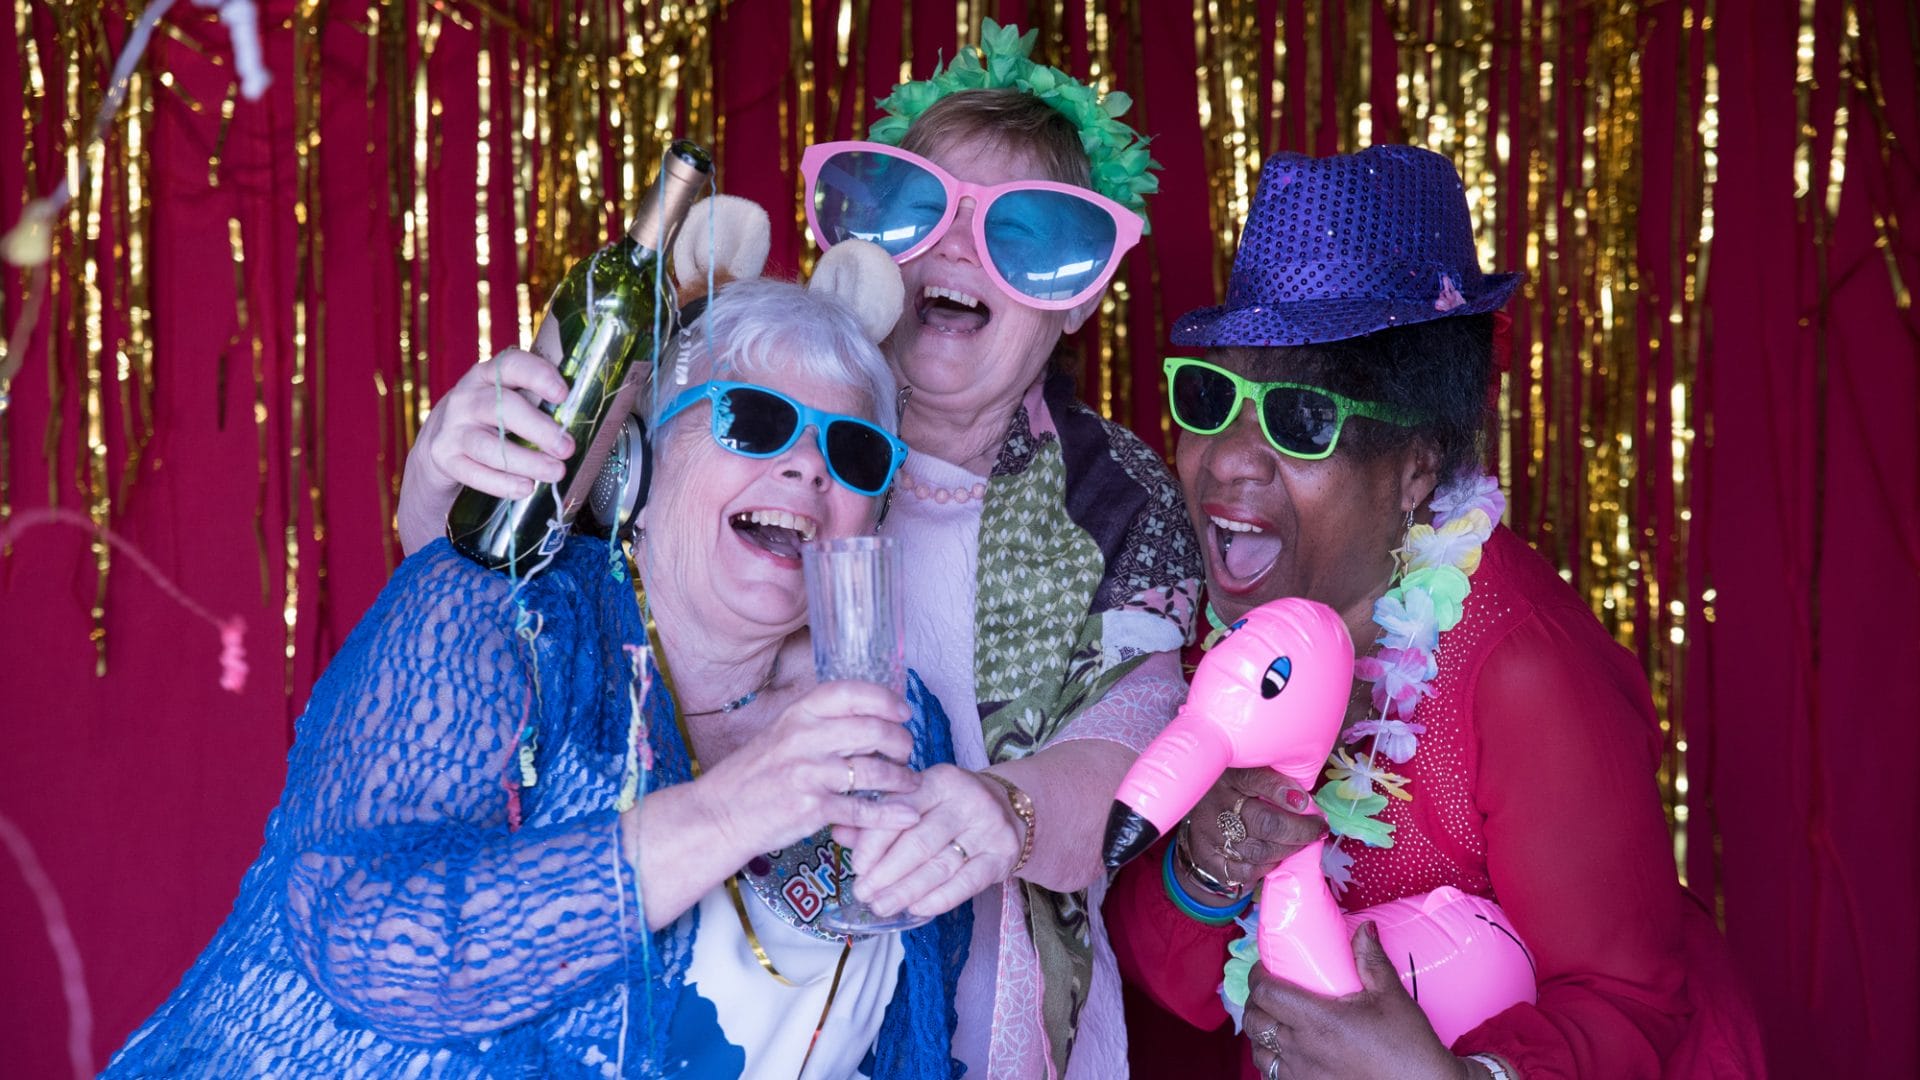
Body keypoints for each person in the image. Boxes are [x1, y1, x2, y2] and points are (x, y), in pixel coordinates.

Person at [397, 23, 1200, 1079]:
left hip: (987, 1024)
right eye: (915, 205)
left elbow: (1141, 743)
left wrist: (1008, 809)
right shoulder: (744, 402)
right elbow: (489, 586)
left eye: (1031, 232)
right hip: (671, 995)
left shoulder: (1112, 494)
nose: (959, 251)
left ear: (1082, 293)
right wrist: (442, 467)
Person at [107, 267, 979, 1078]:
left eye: (854, 452)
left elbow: (903, 1043)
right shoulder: (497, 614)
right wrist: (731, 810)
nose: (808, 466)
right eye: (753, 421)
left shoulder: (896, 722)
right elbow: (367, 932)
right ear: (637, 467)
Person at [1106, 145, 1764, 1079]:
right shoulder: (1233, 637)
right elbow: (1176, 987)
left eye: (1301, 419)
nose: (1230, 458)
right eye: (1211, 398)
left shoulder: (1519, 665)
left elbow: (1630, 1001)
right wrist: (1209, 860)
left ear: (1415, 468)